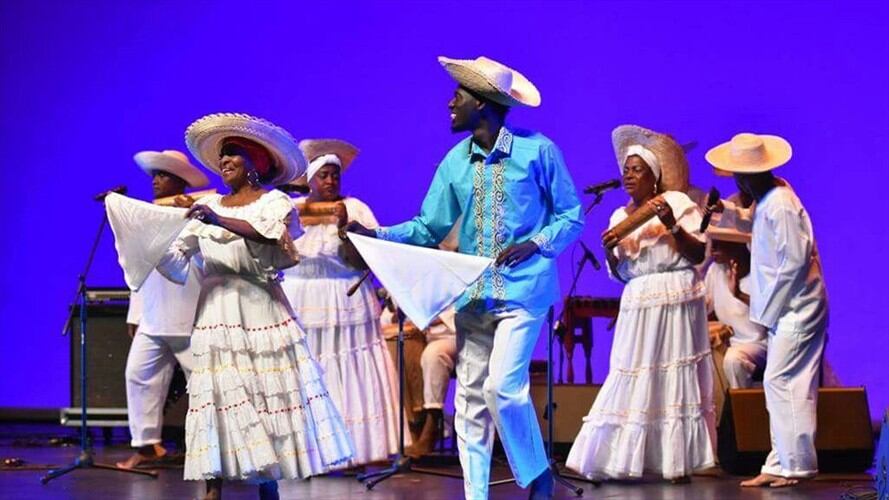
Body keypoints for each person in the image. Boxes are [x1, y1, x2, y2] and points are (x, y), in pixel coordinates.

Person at [347, 56, 584, 500]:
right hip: (474, 297)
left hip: (523, 292)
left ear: (484, 104)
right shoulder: (456, 161)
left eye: (459, 96)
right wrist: (376, 235)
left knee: (502, 386)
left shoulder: (538, 151)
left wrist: (536, 243)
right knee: (471, 402)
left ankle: (538, 474)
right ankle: (476, 494)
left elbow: (571, 215)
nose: (449, 103)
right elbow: (428, 227)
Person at [109, 113, 353, 500]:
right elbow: (176, 259)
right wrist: (140, 233)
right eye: (221, 156)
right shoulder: (209, 208)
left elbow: (268, 235)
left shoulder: (273, 202)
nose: (223, 162)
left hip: (259, 308)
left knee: (264, 396)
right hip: (216, 312)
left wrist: (217, 218)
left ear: (255, 161)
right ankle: (212, 488)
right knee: (215, 396)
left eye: (233, 154)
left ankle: (268, 483)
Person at [566, 125, 716, 483]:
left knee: (672, 374)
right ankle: (615, 458)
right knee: (631, 371)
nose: (628, 175)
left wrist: (672, 226)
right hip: (638, 298)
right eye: (627, 169)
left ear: (654, 176)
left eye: (637, 169)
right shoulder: (619, 218)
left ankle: (676, 462)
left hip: (676, 293)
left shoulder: (678, 203)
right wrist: (609, 253)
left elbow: (697, 254)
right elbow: (619, 274)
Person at [705, 132, 829, 488]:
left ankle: (795, 464)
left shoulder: (780, 204)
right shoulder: (769, 202)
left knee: (784, 381)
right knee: (781, 383)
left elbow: (793, 261)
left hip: (797, 307)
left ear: (748, 177)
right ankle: (782, 461)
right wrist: (725, 212)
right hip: (790, 308)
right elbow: (749, 221)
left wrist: (766, 311)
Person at [278, 139, 403, 467]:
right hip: (301, 299)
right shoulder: (292, 210)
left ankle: (355, 451)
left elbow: (365, 262)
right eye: (324, 175)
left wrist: (345, 226)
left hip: (345, 298)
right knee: (309, 372)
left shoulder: (356, 208)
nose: (331, 181)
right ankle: (308, 450)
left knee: (348, 371)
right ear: (310, 179)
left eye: (335, 175)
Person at [117, 150, 209, 469]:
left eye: (163, 175)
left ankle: (210, 449)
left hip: (190, 312)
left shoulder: (200, 211)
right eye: (154, 175)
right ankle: (146, 447)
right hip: (153, 314)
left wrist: (194, 215)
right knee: (138, 375)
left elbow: (205, 256)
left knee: (204, 384)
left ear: (180, 181)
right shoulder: (146, 216)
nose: (156, 180)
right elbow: (139, 266)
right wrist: (135, 312)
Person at [704, 227, 767, 389]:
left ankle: (741, 412)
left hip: (761, 343)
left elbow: (772, 315)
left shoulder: (761, 272)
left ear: (738, 244)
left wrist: (739, 295)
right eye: (712, 243)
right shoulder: (715, 271)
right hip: (731, 342)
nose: (713, 249)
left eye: (719, 243)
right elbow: (708, 311)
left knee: (734, 360)